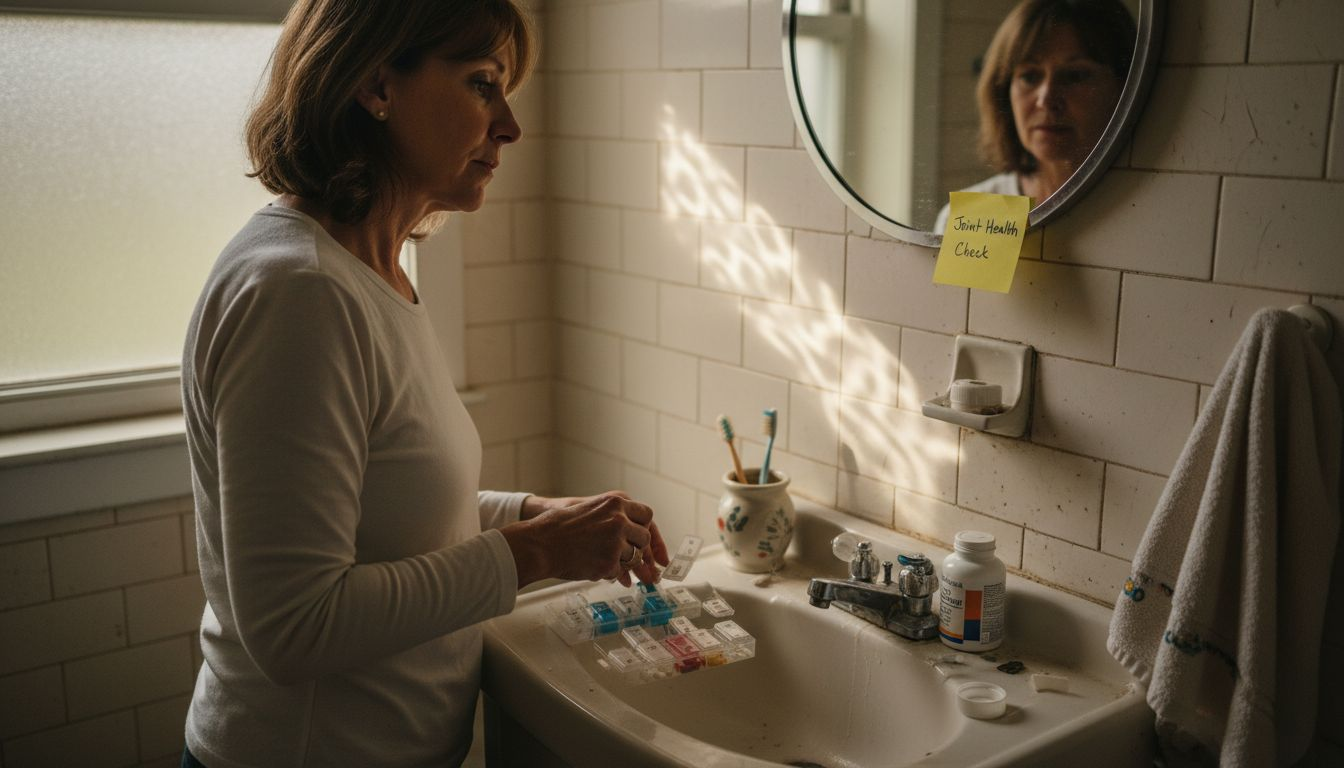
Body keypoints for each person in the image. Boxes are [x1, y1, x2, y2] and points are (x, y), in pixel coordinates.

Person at [178, 1, 670, 766]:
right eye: (481, 85)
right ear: (376, 85)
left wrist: (534, 513)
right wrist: (532, 551)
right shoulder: (299, 293)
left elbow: (379, 509)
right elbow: (295, 625)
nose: (509, 125)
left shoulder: (369, 274)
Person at [935, 0, 1135, 233]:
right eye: (1030, 76)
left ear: (1124, 88)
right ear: (1003, 91)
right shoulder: (965, 220)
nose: (1046, 100)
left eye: (1076, 75)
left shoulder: (1147, 206)